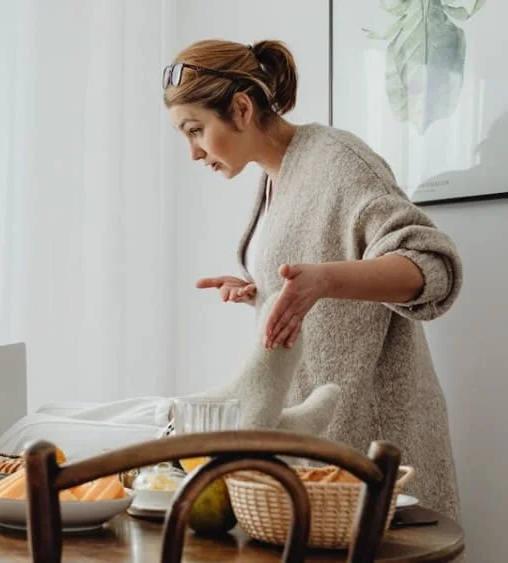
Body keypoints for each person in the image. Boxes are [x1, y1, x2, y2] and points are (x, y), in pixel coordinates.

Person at [163, 39, 463, 518]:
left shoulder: (339, 161)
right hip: (321, 443)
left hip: (377, 439)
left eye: (195, 130)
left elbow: (431, 268)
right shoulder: (273, 178)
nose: (193, 153)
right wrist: (262, 295)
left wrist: (322, 281)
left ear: (241, 108)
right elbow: (321, 276)